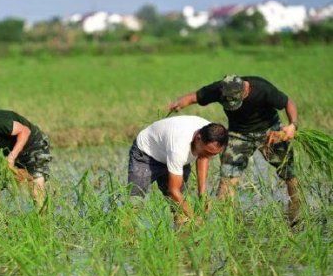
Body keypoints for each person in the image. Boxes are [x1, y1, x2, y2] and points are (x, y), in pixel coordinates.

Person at [168, 75, 300, 223]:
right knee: (227, 178)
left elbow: (288, 102)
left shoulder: (263, 89)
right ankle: (225, 221)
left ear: (245, 90)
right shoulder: (220, 89)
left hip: (270, 132)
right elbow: (195, 97)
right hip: (239, 134)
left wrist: (292, 125)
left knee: (289, 173)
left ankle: (296, 212)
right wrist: (179, 103)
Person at [128, 115, 228, 224]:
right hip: (147, 155)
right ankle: (129, 237)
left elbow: (203, 157)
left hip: (172, 154)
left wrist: (202, 195)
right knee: (134, 204)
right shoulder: (179, 147)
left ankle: (181, 235)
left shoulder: (211, 132)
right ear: (198, 138)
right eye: (208, 152)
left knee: (179, 209)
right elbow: (173, 190)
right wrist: (194, 219)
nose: (209, 156)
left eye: (213, 154)